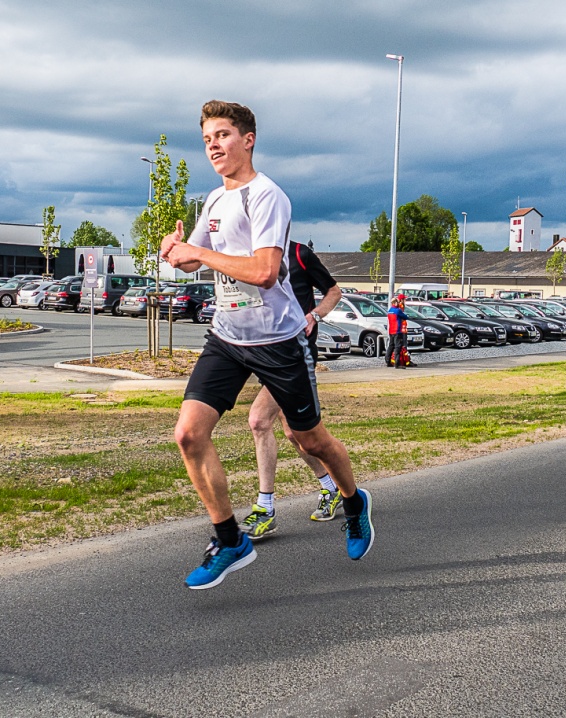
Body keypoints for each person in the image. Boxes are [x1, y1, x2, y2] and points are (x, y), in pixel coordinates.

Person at [160, 100, 373, 590]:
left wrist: (199, 253)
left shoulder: (267, 196)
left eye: (223, 135)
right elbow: (194, 262)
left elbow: (263, 270)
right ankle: (230, 539)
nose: (214, 145)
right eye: (207, 139)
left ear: (248, 139)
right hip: (227, 337)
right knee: (189, 434)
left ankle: (353, 500)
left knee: (310, 439)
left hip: (279, 341)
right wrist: (174, 253)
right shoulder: (213, 201)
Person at [239, 241, 344, 541]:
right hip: (268, 356)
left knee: (259, 420)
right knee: (297, 435)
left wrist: (315, 316)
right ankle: (333, 488)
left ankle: (265, 509)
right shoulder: (253, 258)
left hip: (296, 357)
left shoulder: (300, 253)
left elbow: (334, 291)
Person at [387, 295, 409, 369]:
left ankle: (387, 361)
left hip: (391, 331)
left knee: (391, 346)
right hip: (397, 331)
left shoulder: (389, 310)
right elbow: (405, 317)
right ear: (396, 302)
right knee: (397, 347)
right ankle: (397, 364)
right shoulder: (398, 311)